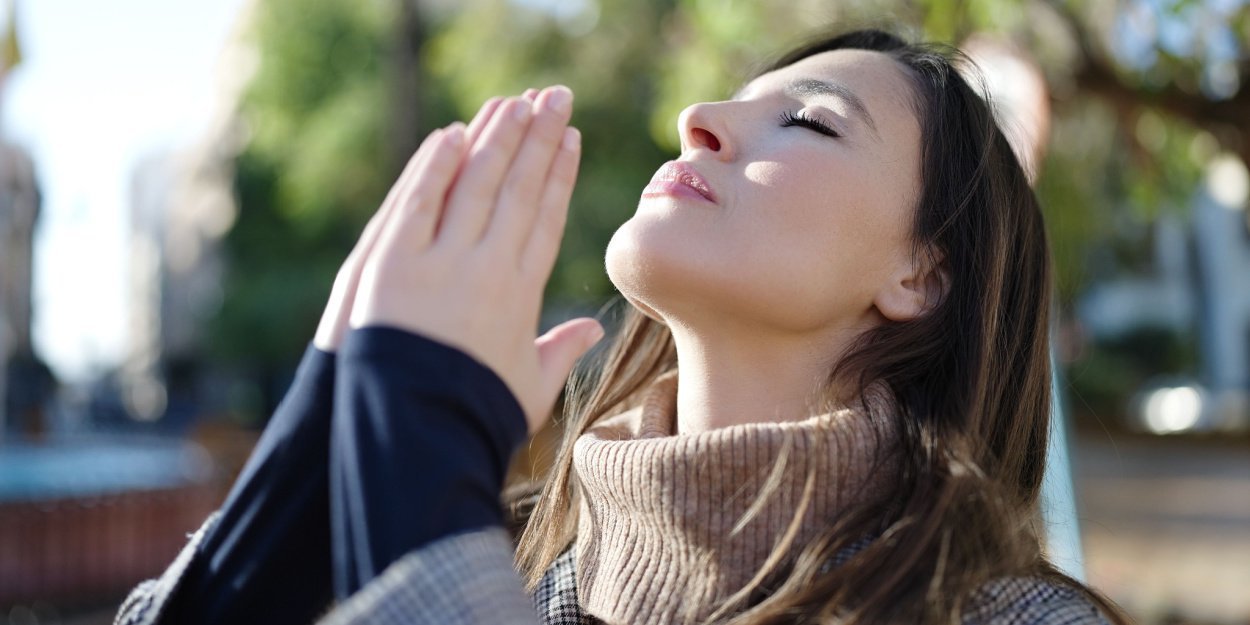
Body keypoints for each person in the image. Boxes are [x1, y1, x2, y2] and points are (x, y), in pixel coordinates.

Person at [116, 29, 1127, 625]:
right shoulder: (513, 556)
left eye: (809, 121)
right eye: (730, 99)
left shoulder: (1012, 618)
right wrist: (306, 461)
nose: (698, 117)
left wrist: (419, 486)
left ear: (920, 273)